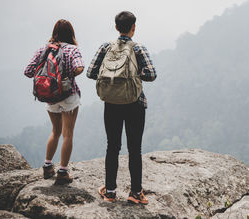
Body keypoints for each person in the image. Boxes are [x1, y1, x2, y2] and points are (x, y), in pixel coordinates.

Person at [87, 11, 157, 204]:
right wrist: (135, 75)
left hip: (111, 104)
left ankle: (110, 192)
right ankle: (135, 193)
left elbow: (91, 73)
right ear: (134, 28)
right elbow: (151, 74)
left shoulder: (105, 47)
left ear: (116, 27)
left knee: (112, 147)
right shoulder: (138, 48)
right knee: (135, 149)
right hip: (135, 103)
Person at [24, 19, 85, 185]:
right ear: (71, 33)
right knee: (68, 134)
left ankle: (47, 166)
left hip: (49, 95)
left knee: (55, 131)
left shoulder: (43, 49)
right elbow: (79, 67)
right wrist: (66, 74)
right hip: (68, 95)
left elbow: (28, 71)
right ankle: (63, 172)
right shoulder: (72, 49)